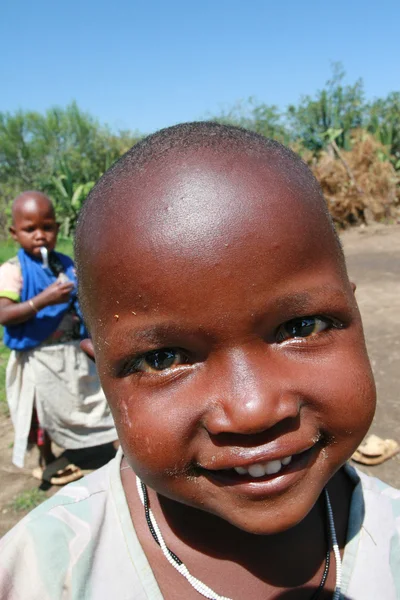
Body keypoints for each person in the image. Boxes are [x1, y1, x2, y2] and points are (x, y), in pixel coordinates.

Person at [0, 123, 399, 599]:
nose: (252, 411)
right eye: (164, 358)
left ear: (353, 313)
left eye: (301, 327)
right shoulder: (40, 575)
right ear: (101, 369)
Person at [0, 191, 117, 484]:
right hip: (40, 360)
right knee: (44, 414)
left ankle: (115, 448)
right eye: (30, 229)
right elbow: (4, 314)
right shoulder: (13, 271)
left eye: (47, 227)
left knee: (92, 401)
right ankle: (48, 458)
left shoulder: (67, 265)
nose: (40, 236)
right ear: (14, 233)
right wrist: (42, 300)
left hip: (73, 354)